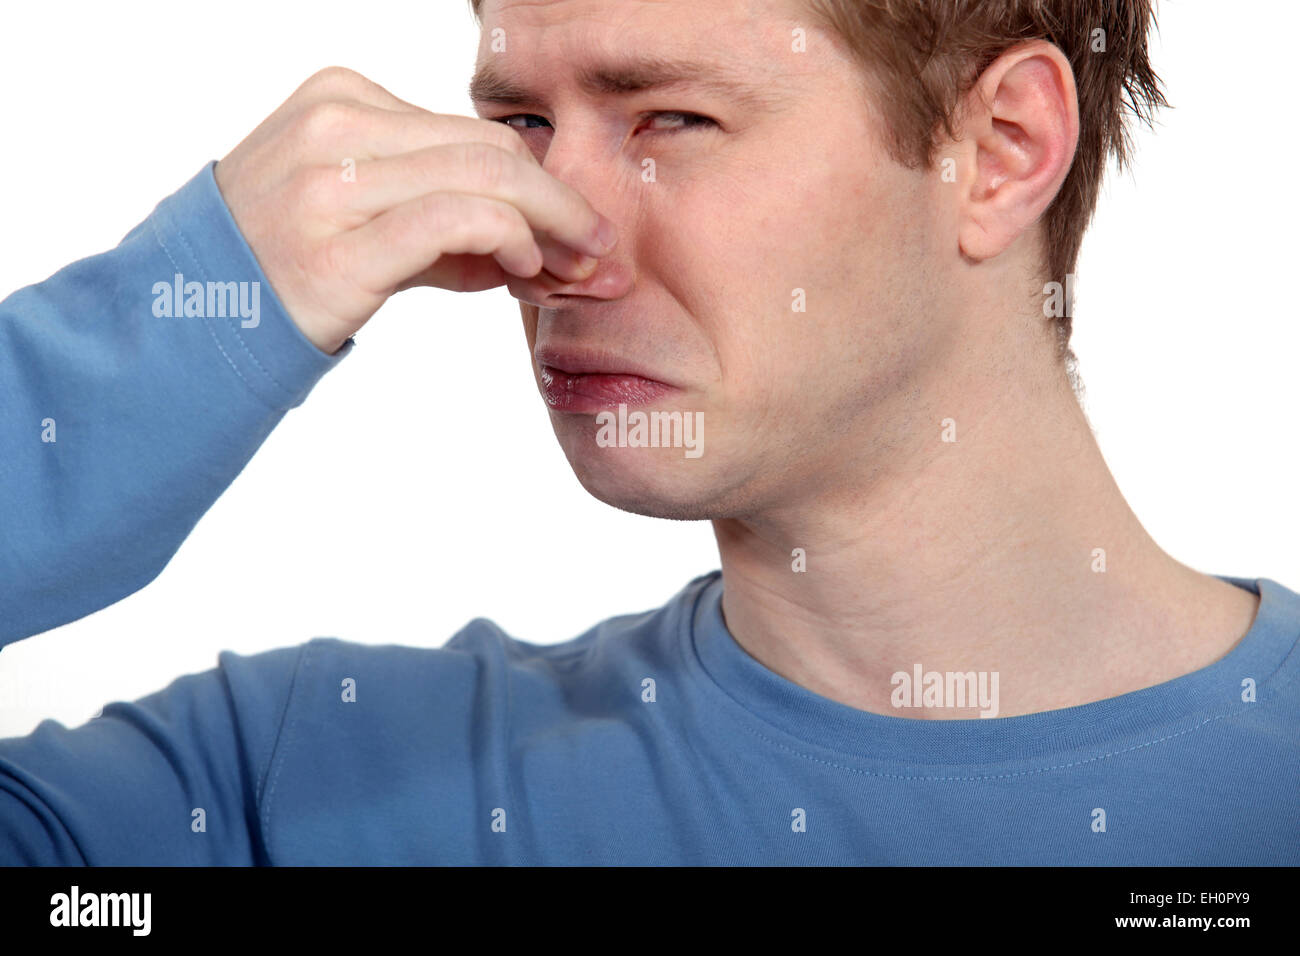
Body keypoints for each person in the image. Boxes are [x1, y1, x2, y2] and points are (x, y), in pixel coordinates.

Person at [1, 0, 1296, 864]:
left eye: (671, 120)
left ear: (1002, 149)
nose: (550, 239)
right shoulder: (289, 784)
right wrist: (189, 309)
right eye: (522, 124)